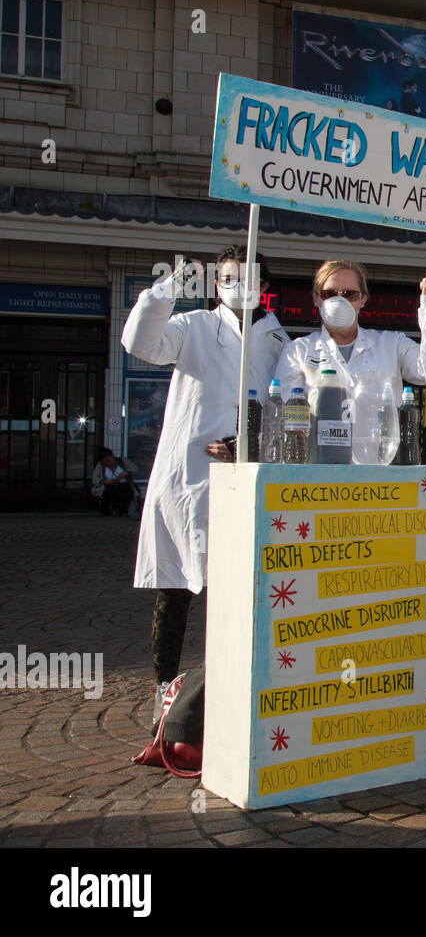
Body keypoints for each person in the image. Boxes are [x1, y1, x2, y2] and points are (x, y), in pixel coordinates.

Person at [122, 246, 287, 728]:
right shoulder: (191, 326)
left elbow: (286, 404)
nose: (239, 285)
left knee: (237, 592)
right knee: (176, 590)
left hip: (245, 478)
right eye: (230, 277)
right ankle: (163, 695)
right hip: (189, 478)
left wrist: (252, 439)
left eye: (248, 277)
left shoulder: (277, 337)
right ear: (217, 284)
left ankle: (228, 694)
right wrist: (168, 288)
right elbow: (139, 343)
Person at [273, 261, 426, 413]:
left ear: (363, 300)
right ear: (317, 298)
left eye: (350, 294)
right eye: (330, 294)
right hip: (319, 451)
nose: (340, 301)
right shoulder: (297, 351)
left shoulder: (391, 344)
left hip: (378, 451)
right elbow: (285, 413)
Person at [91, 447, 138, 516]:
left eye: (108, 460)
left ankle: (123, 511)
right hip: (109, 487)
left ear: (112, 456)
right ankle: (108, 510)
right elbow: (94, 478)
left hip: (123, 485)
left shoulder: (122, 461)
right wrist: (104, 481)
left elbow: (135, 468)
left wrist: (126, 472)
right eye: (104, 462)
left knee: (124, 489)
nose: (107, 463)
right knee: (107, 491)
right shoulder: (100, 466)